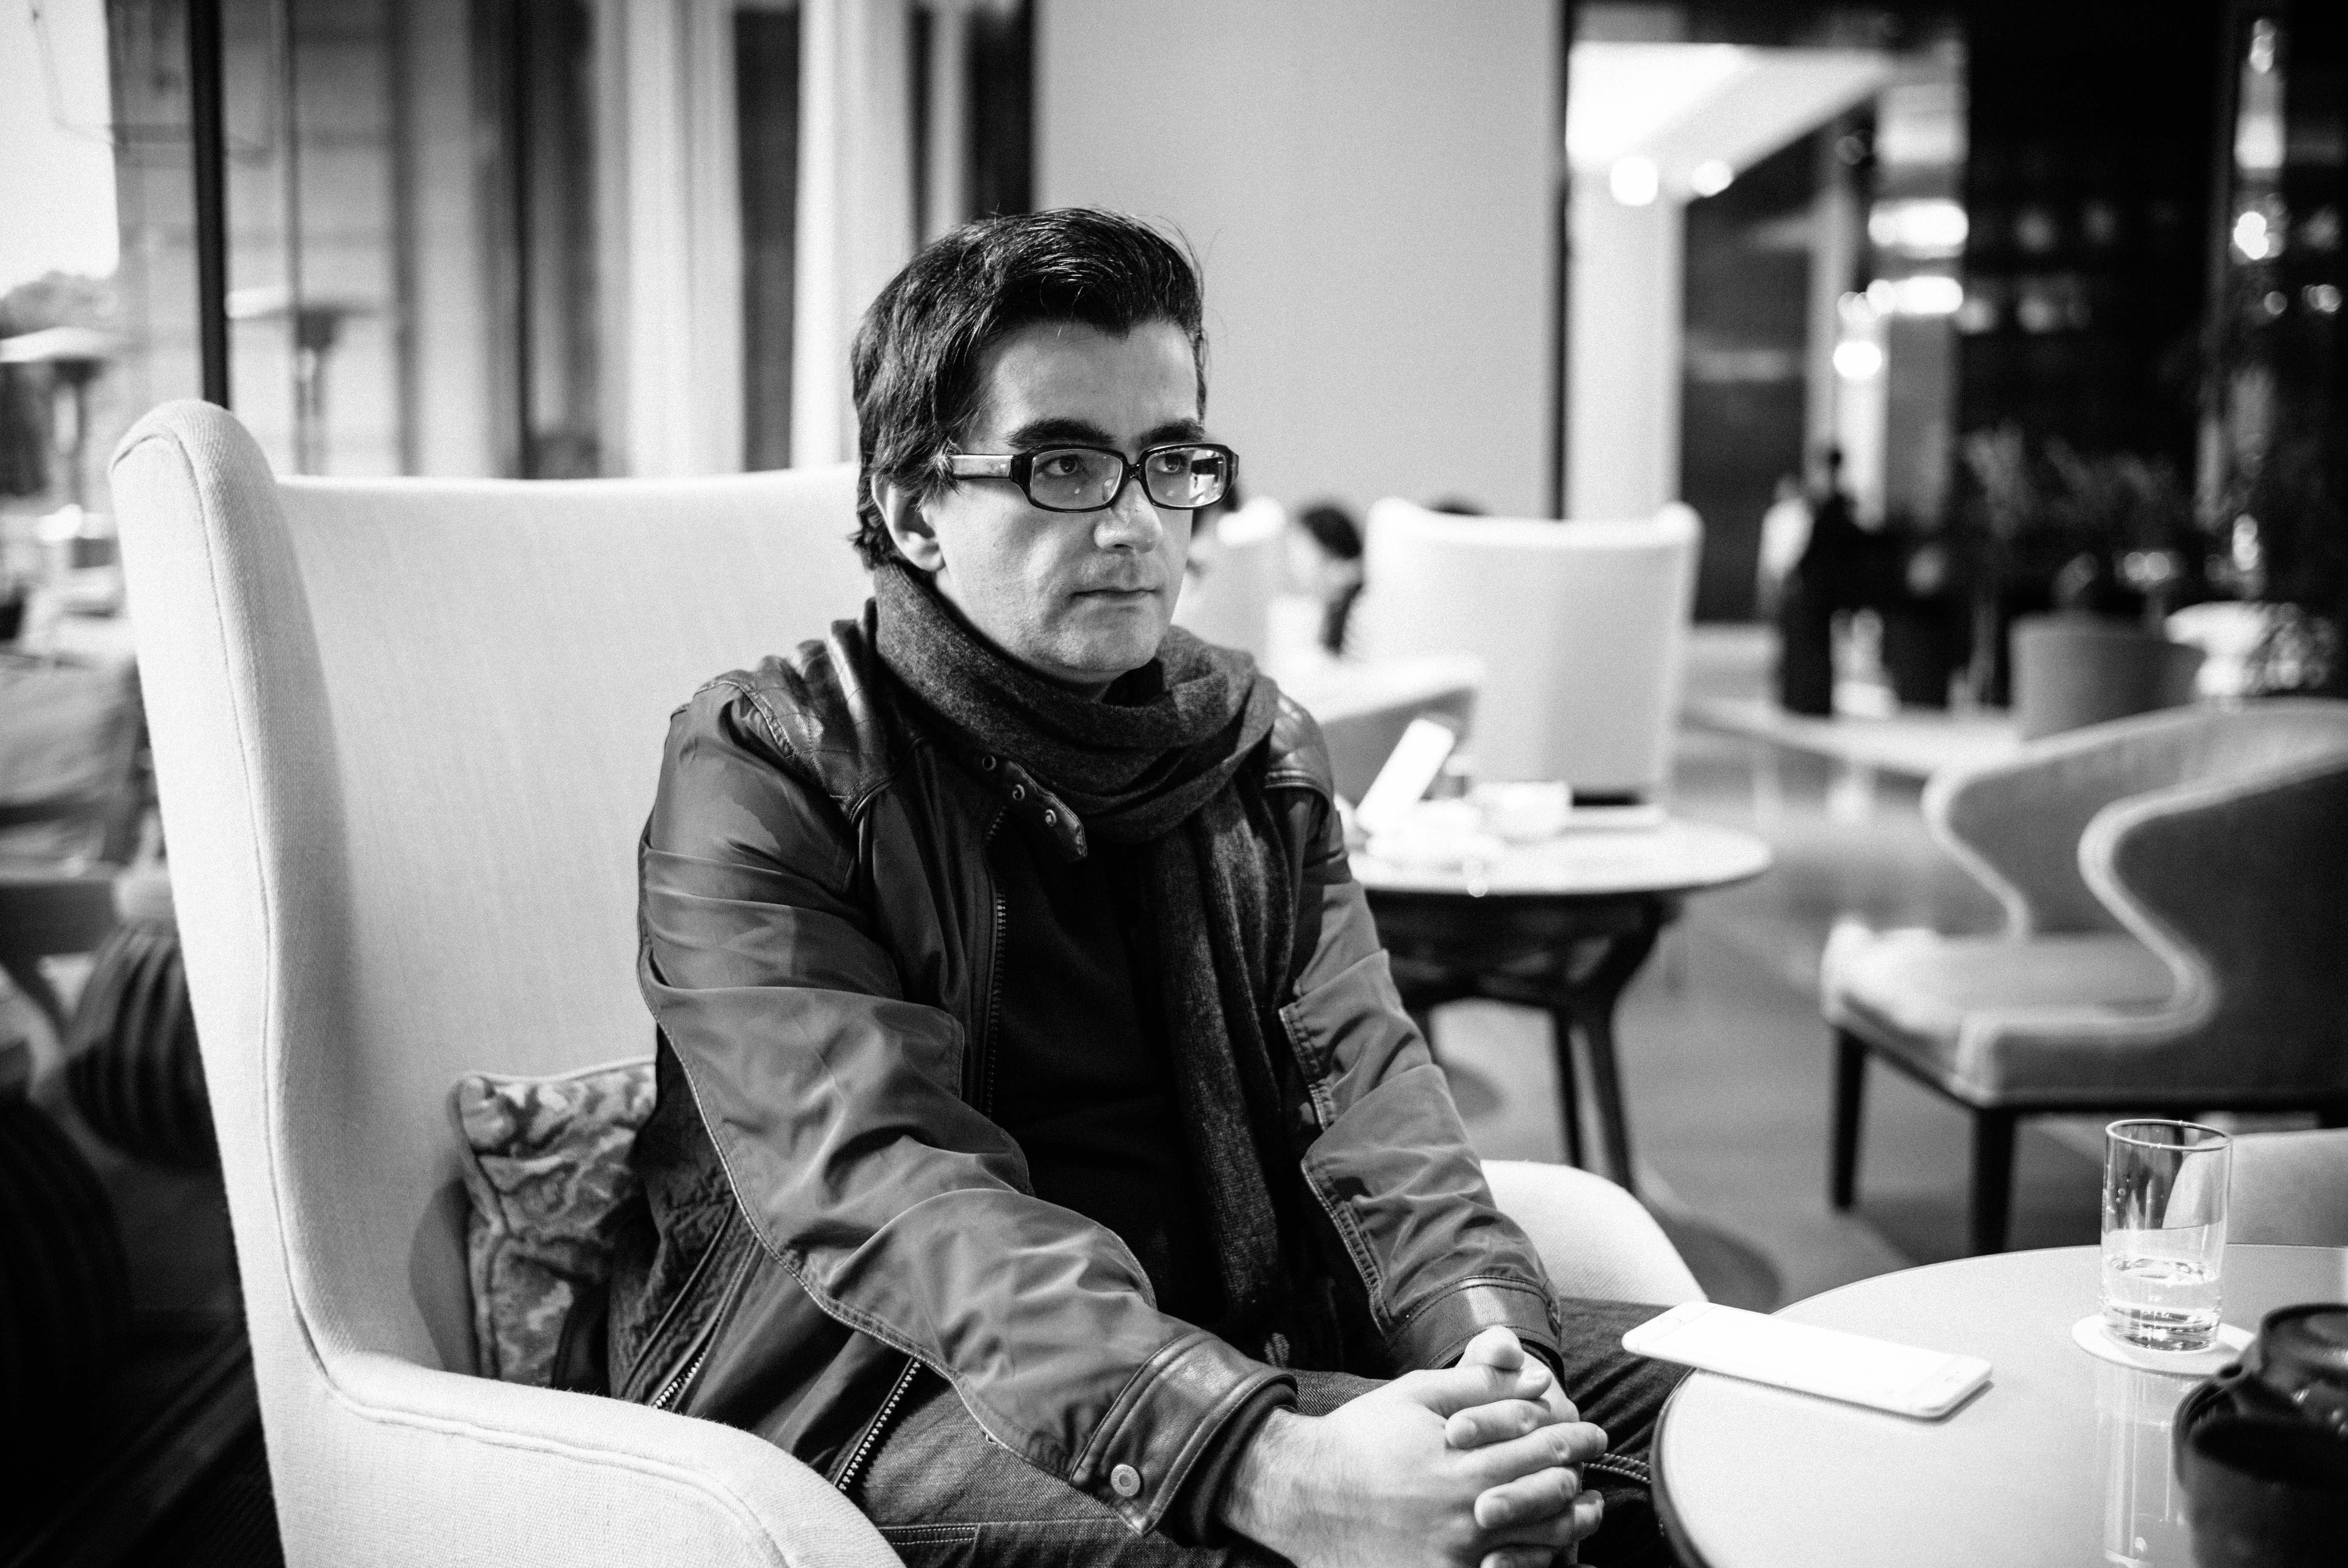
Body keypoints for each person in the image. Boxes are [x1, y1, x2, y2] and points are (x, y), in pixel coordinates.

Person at [611, 208, 1684, 1567]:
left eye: (1170, 462)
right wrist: (1271, 1464)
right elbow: (895, 1193)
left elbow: (1373, 1100)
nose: (1133, 524)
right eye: (1064, 464)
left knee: (1732, 1436)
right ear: (912, 507)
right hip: (877, 1385)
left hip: (1243, 1322)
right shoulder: (770, 768)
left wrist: (1488, 1348)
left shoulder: (1254, 747)